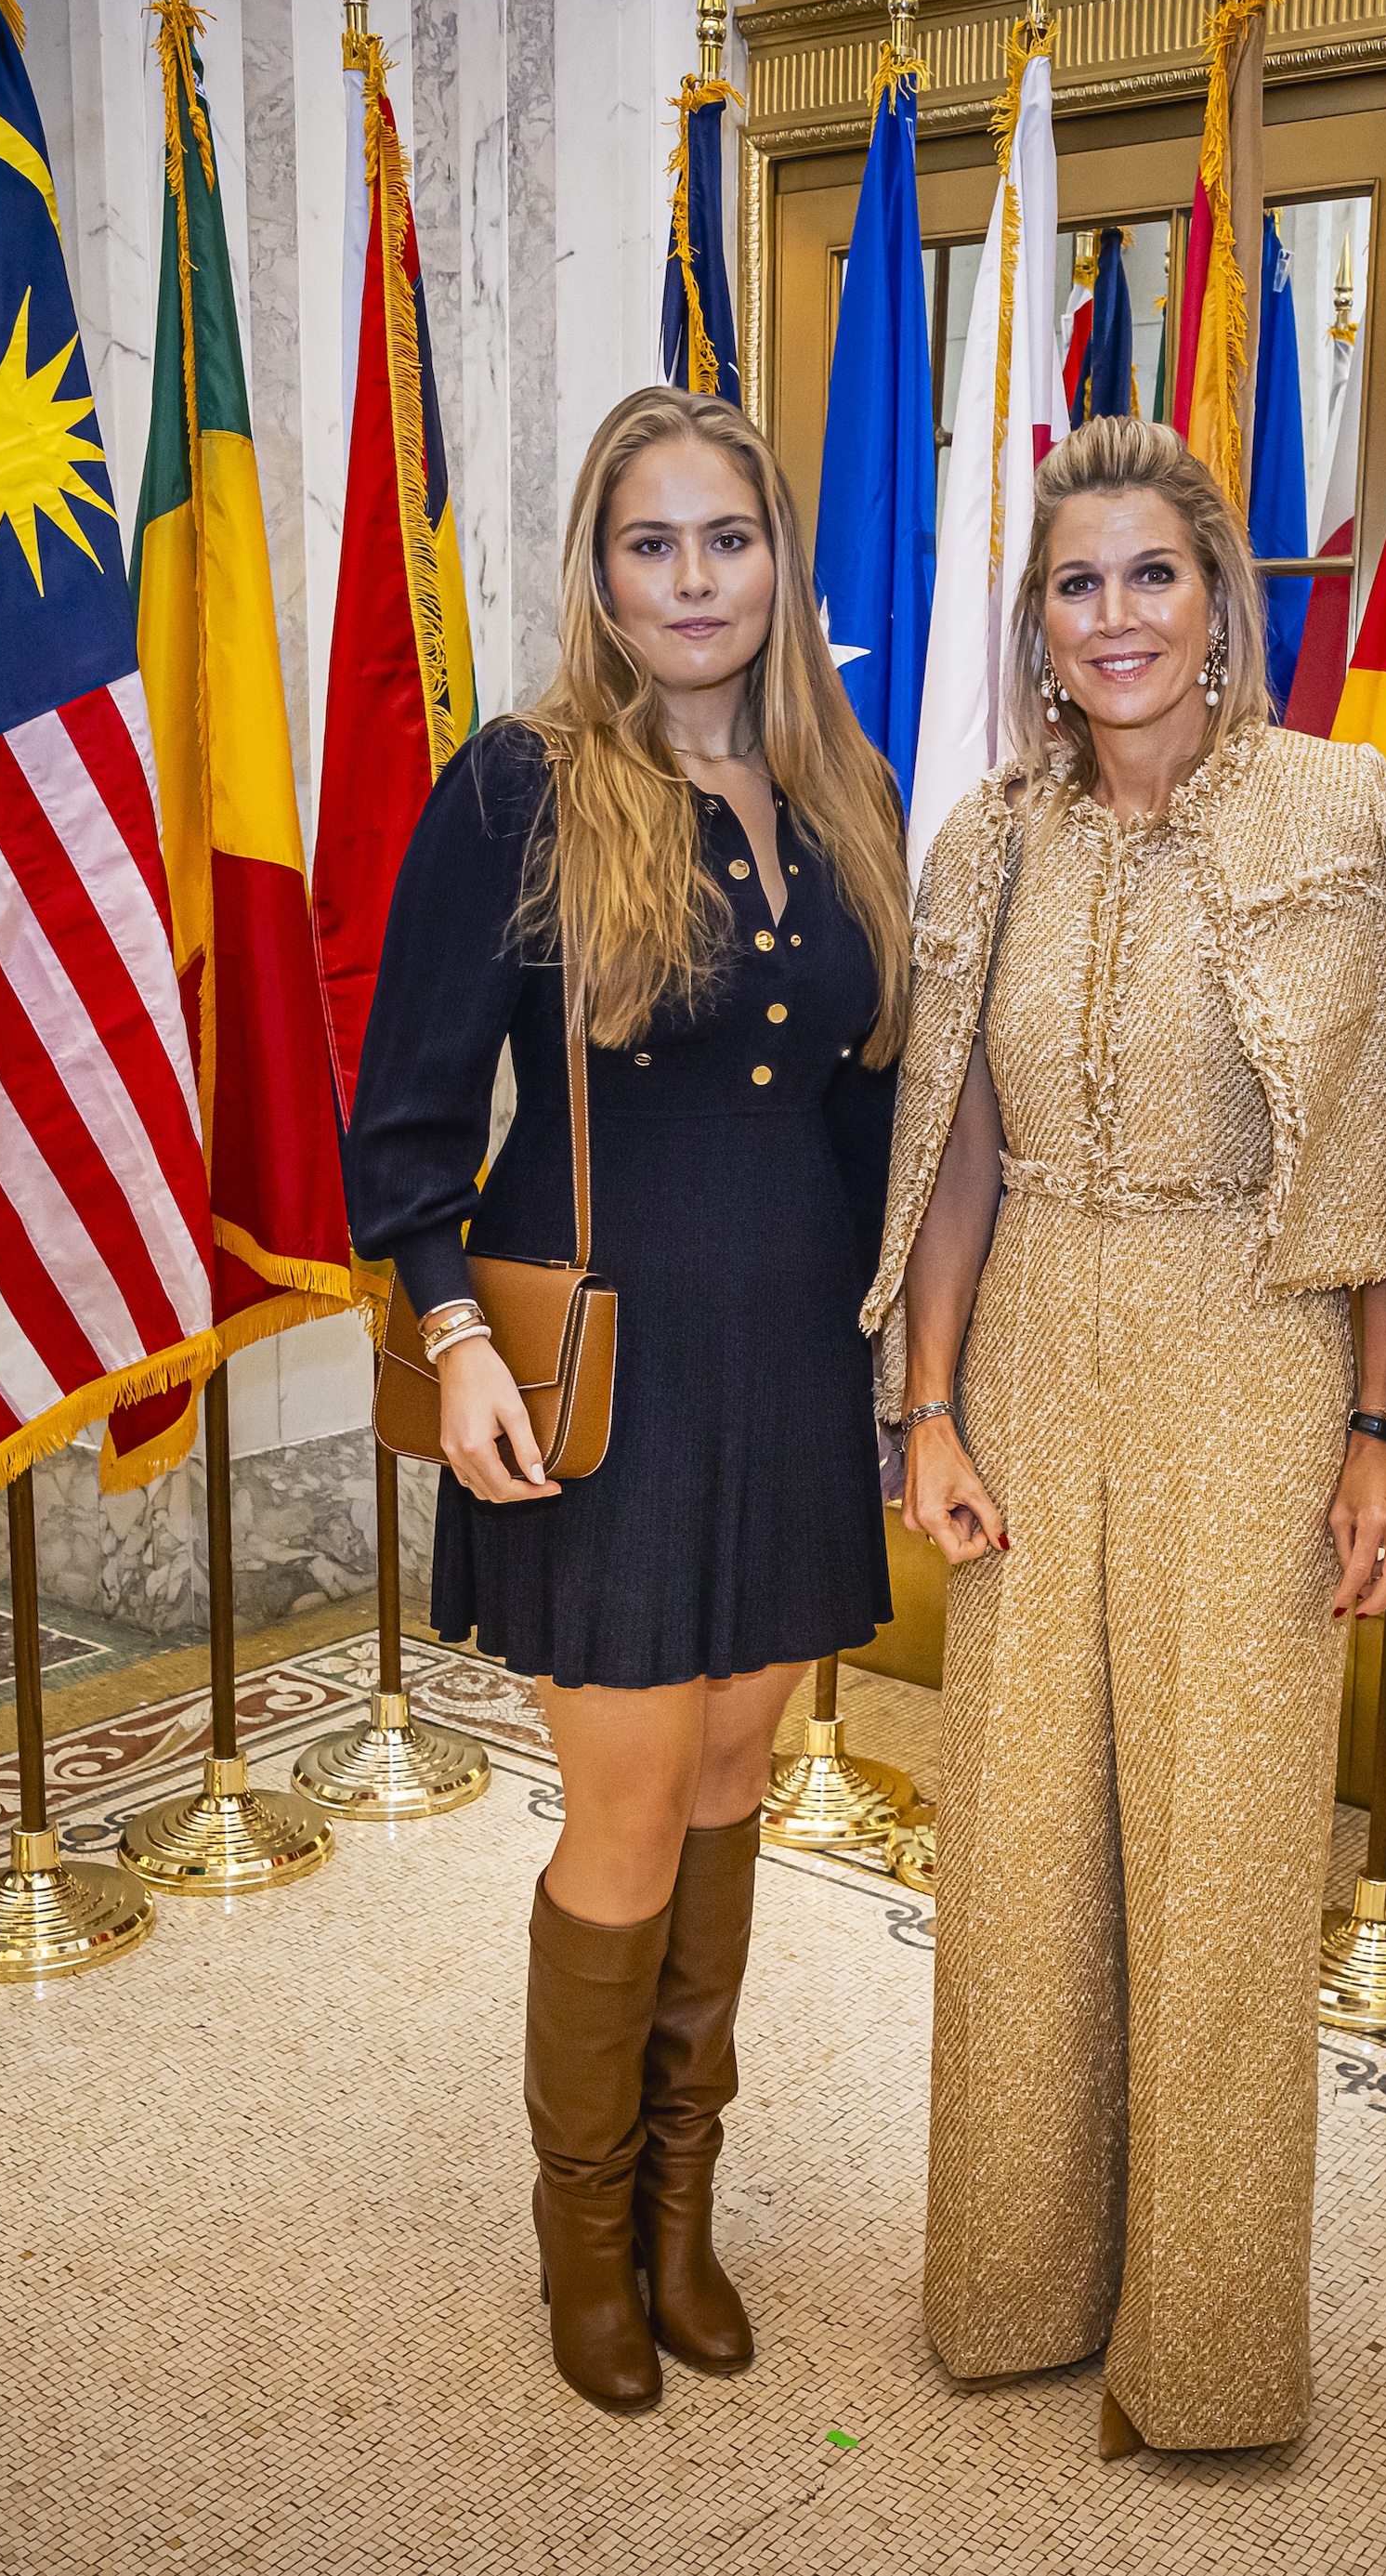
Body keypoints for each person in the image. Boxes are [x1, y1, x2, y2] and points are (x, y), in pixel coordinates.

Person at [866, 417, 1386, 2458]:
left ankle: (1209, 2355)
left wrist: (1383, 1428)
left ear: (1222, 602)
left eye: (1152, 575)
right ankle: (1021, 2291)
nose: (1115, 617)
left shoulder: (1339, 808)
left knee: (1224, 1861)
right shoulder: (983, 840)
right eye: (1077, 582)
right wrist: (930, 1406)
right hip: (1039, 1336)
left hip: (1257, 1352)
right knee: (1026, 1841)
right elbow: (954, 1149)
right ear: (1040, 626)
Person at [345, 387, 909, 2415]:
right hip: (599, 1373)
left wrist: (899, 1370)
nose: (696, 581)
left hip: (789, 1364)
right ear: (598, 571)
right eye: (653, 544)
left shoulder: (844, 787)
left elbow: (872, 1108)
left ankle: (688, 2214)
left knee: (744, 1776)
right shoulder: (518, 786)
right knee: (628, 1808)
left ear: (779, 564)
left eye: (730, 540)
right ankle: (585, 2237)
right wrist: (454, 1338)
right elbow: (403, 1116)